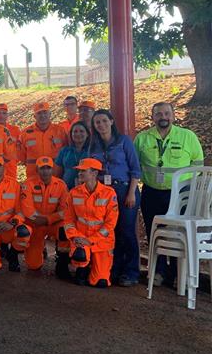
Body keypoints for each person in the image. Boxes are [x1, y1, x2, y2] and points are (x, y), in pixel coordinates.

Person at [134, 102, 204, 287]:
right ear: (153, 117)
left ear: (173, 116)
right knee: (154, 231)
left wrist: (193, 192)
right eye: (158, 114)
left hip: (181, 194)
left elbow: (198, 164)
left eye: (166, 113)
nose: (163, 117)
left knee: (178, 233)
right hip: (151, 193)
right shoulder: (142, 139)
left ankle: (177, 273)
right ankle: (158, 271)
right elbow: (135, 166)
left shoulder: (187, 136)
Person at [88, 109, 142, 287]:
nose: (101, 125)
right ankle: (115, 268)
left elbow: (135, 168)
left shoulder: (124, 141)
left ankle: (132, 271)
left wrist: (132, 192)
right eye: (97, 122)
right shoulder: (93, 145)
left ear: (111, 121)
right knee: (111, 231)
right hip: (104, 192)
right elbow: (91, 169)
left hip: (125, 190)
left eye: (104, 121)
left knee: (126, 230)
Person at [63, 158, 119, 287]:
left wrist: (92, 240)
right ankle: (82, 268)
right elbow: (68, 220)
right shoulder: (74, 193)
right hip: (81, 240)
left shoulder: (109, 194)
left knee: (101, 283)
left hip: (101, 242)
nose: (79, 174)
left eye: (83, 171)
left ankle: (93, 268)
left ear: (94, 173)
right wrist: (75, 237)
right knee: (80, 264)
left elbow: (110, 224)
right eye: (79, 171)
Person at [20, 157, 70, 275]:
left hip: (52, 223)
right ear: (37, 169)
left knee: (66, 229)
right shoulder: (28, 184)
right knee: (33, 265)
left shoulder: (61, 185)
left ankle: (62, 262)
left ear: (52, 170)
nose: (45, 171)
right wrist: (39, 220)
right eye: (42, 168)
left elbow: (65, 211)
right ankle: (37, 249)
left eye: (48, 168)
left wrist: (49, 219)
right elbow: (27, 209)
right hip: (35, 224)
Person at [18, 102, 68, 179]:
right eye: (39, 113)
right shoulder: (25, 133)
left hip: (56, 175)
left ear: (50, 114)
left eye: (45, 112)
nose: (42, 115)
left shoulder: (60, 131)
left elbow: (66, 152)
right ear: (34, 116)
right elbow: (22, 156)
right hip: (34, 176)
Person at [54, 121, 91, 189]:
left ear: (87, 134)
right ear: (71, 134)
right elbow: (56, 174)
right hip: (67, 190)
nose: (78, 134)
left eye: (81, 131)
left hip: (87, 190)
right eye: (75, 131)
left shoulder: (92, 151)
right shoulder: (64, 151)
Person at [0, 103, 20, 179]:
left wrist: (13, 160)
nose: (1, 116)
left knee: (10, 189)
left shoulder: (15, 130)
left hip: (11, 167)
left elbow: (20, 149)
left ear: (7, 115)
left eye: (4, 113)